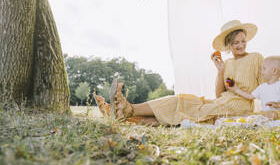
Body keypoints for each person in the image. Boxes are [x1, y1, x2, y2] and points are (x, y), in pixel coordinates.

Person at [94, 20, 264, 126]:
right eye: (236, 43)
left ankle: (126, 110)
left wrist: (265, 108)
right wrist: (220, 71)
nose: (241, 45)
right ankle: (124, 114)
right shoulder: (226, 64)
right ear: (228, 46)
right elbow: (220, 94)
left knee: (191, 110)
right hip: (222, 102)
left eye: (243, 41)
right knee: (180, 100)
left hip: (240, 105)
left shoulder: (256, 58)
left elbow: (263, 90)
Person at [229, 56, 280, 120]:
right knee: (249, 114)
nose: (261, 71)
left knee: (272, 114)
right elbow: (250, 96)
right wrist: (236, 89)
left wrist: (278, 104)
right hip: (265, 113)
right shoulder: (262, 86)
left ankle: (265, 118)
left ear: (274, 71)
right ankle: (259, 118)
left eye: (264, 68)